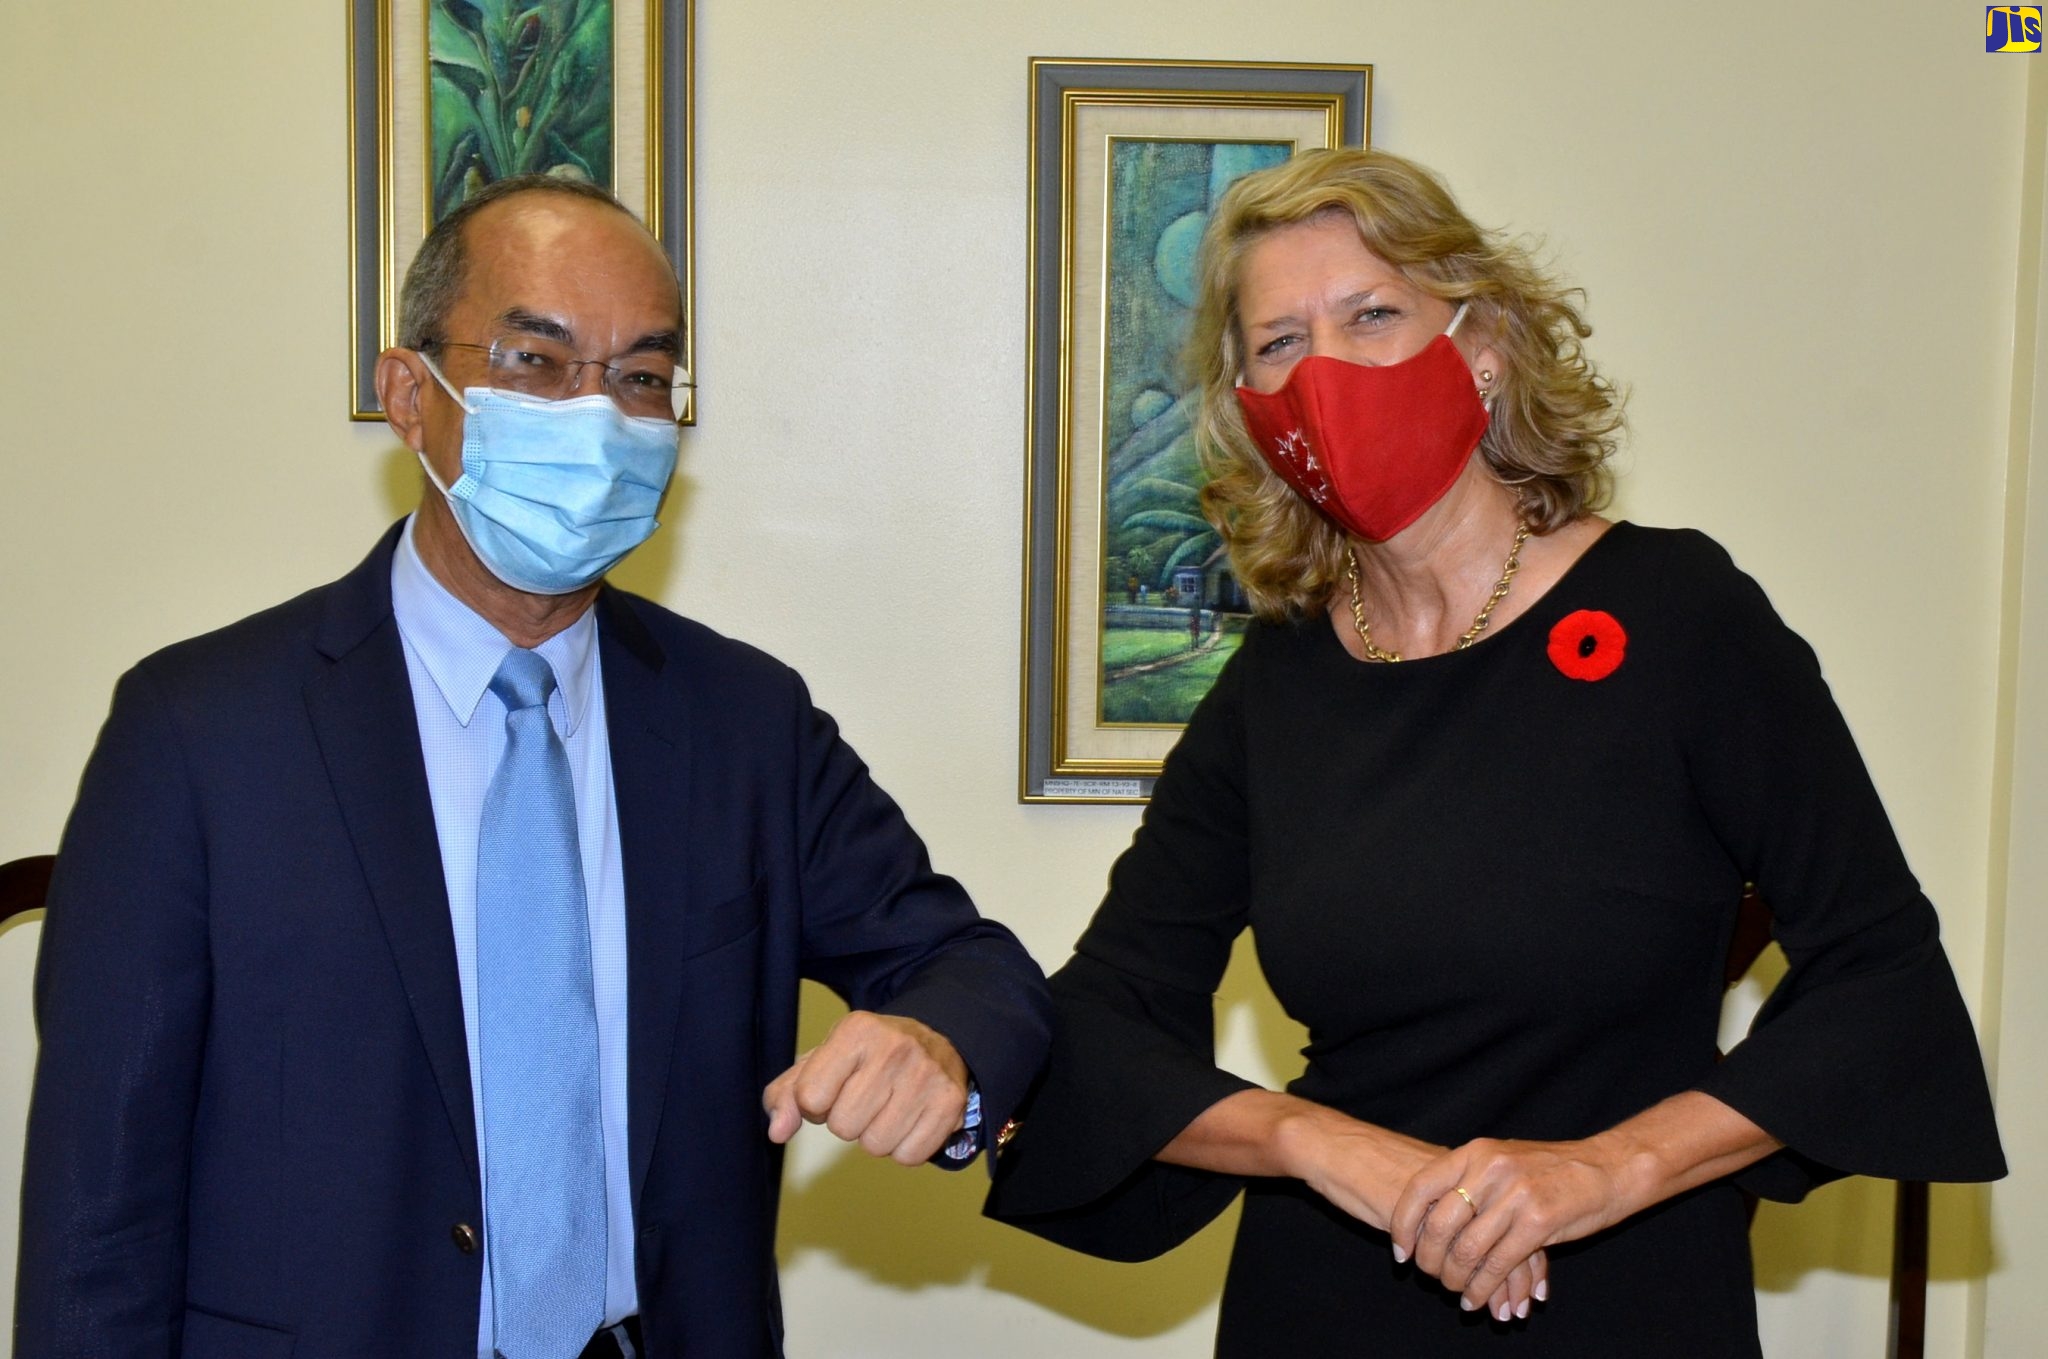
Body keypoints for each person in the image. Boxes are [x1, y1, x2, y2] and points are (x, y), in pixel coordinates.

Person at [984, 148, 2003, 1357]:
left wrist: (1602, 1171)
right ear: (1247, 405)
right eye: (1277, 345)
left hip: (1624, 1286)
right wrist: (1319, 1145)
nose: (1325, 372)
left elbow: (1881, 981)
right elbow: (1105, 1017)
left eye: (1371, 317)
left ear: (1482, 344)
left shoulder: (1679, 615)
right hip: (1327, 1291)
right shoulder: (1280, 679)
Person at [18, 174, 1051, 1359]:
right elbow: (97, 1213)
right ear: (411, 395)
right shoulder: (198, 730)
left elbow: (968, 965)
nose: (596, 416)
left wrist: (938, 1044)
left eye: (642, 377)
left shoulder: (741, 722)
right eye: (535, 362)